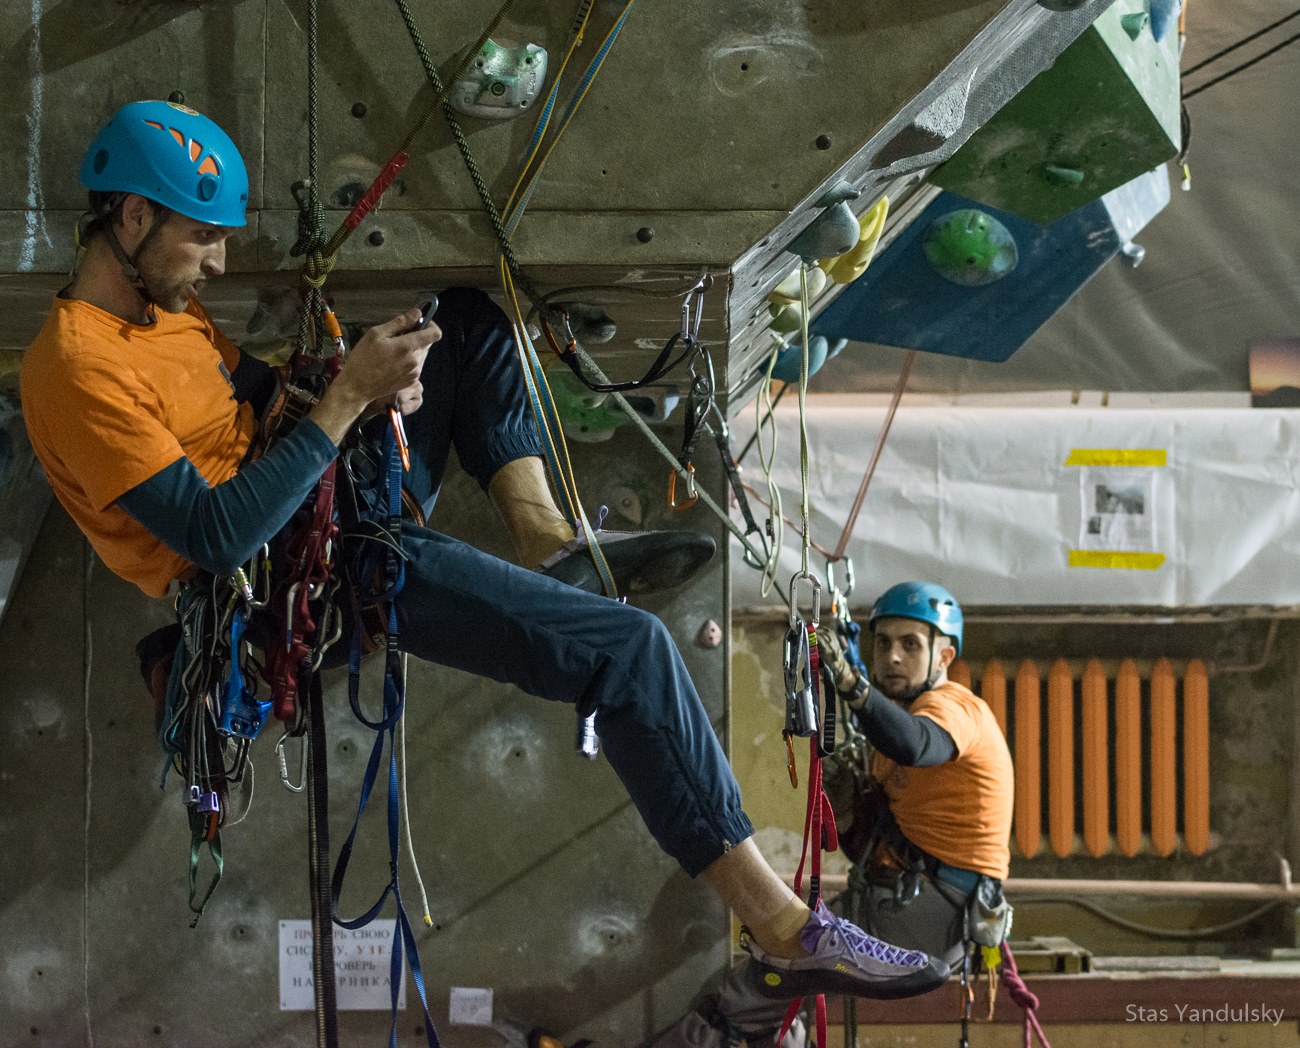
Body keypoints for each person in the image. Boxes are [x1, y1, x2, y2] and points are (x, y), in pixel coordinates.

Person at [20, 100, 950, 1005]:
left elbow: (259, 398)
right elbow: (218, 535)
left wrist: (371, 393)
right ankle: (786, 928)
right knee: (628, 653)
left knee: (459, 324)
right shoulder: (77, 365)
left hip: (322, 505)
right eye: (201, 238)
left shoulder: (167, 320)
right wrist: (345, 405)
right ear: (132, 218)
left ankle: (550, 541)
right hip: (297, 580)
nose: (217, 263)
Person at [817, 581, 1016, 970]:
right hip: (911, 894)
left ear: (943, 657)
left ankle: (718, 1028)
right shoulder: (893, 726)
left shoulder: (953, 706)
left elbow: (918, 745)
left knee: (787, 960)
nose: (892, 657)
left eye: (910, 645)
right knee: (790, 960)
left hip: (941, 904)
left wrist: (851, 685)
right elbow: (874, 843)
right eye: (883, 644)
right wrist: (846, 815)